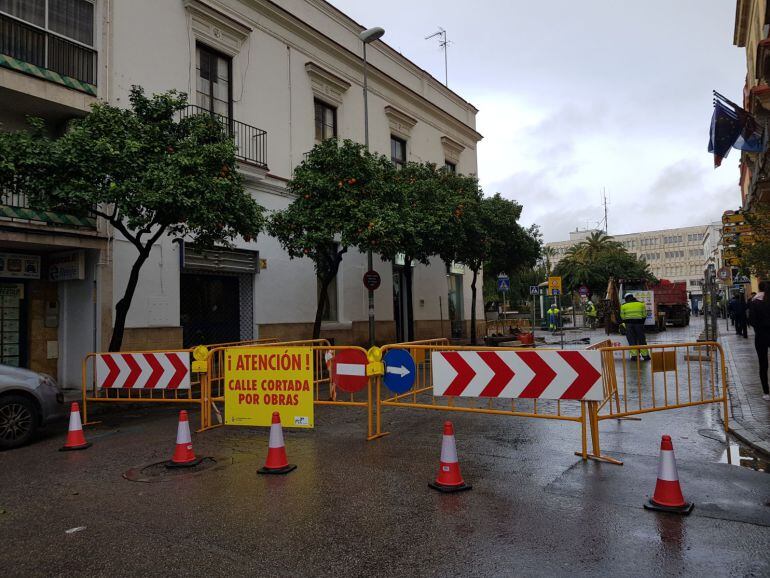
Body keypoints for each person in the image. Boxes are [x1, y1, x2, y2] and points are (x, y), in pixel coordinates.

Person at [748, 281, 770, 401]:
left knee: (763, 364)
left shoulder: (755, 302)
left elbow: (751, 320)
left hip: (761, 336)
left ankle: (766, 392)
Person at [620, 293, 650, 362]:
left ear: (626, 298)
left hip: (629, 325)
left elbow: (622, 316)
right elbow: (644, 315)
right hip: (639, 324)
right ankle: (645, 356)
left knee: (631, 340)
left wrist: (627, 321)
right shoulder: (641, 304)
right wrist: (641, 322)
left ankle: (634, 356)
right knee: (641, 339)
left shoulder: (623, 306)